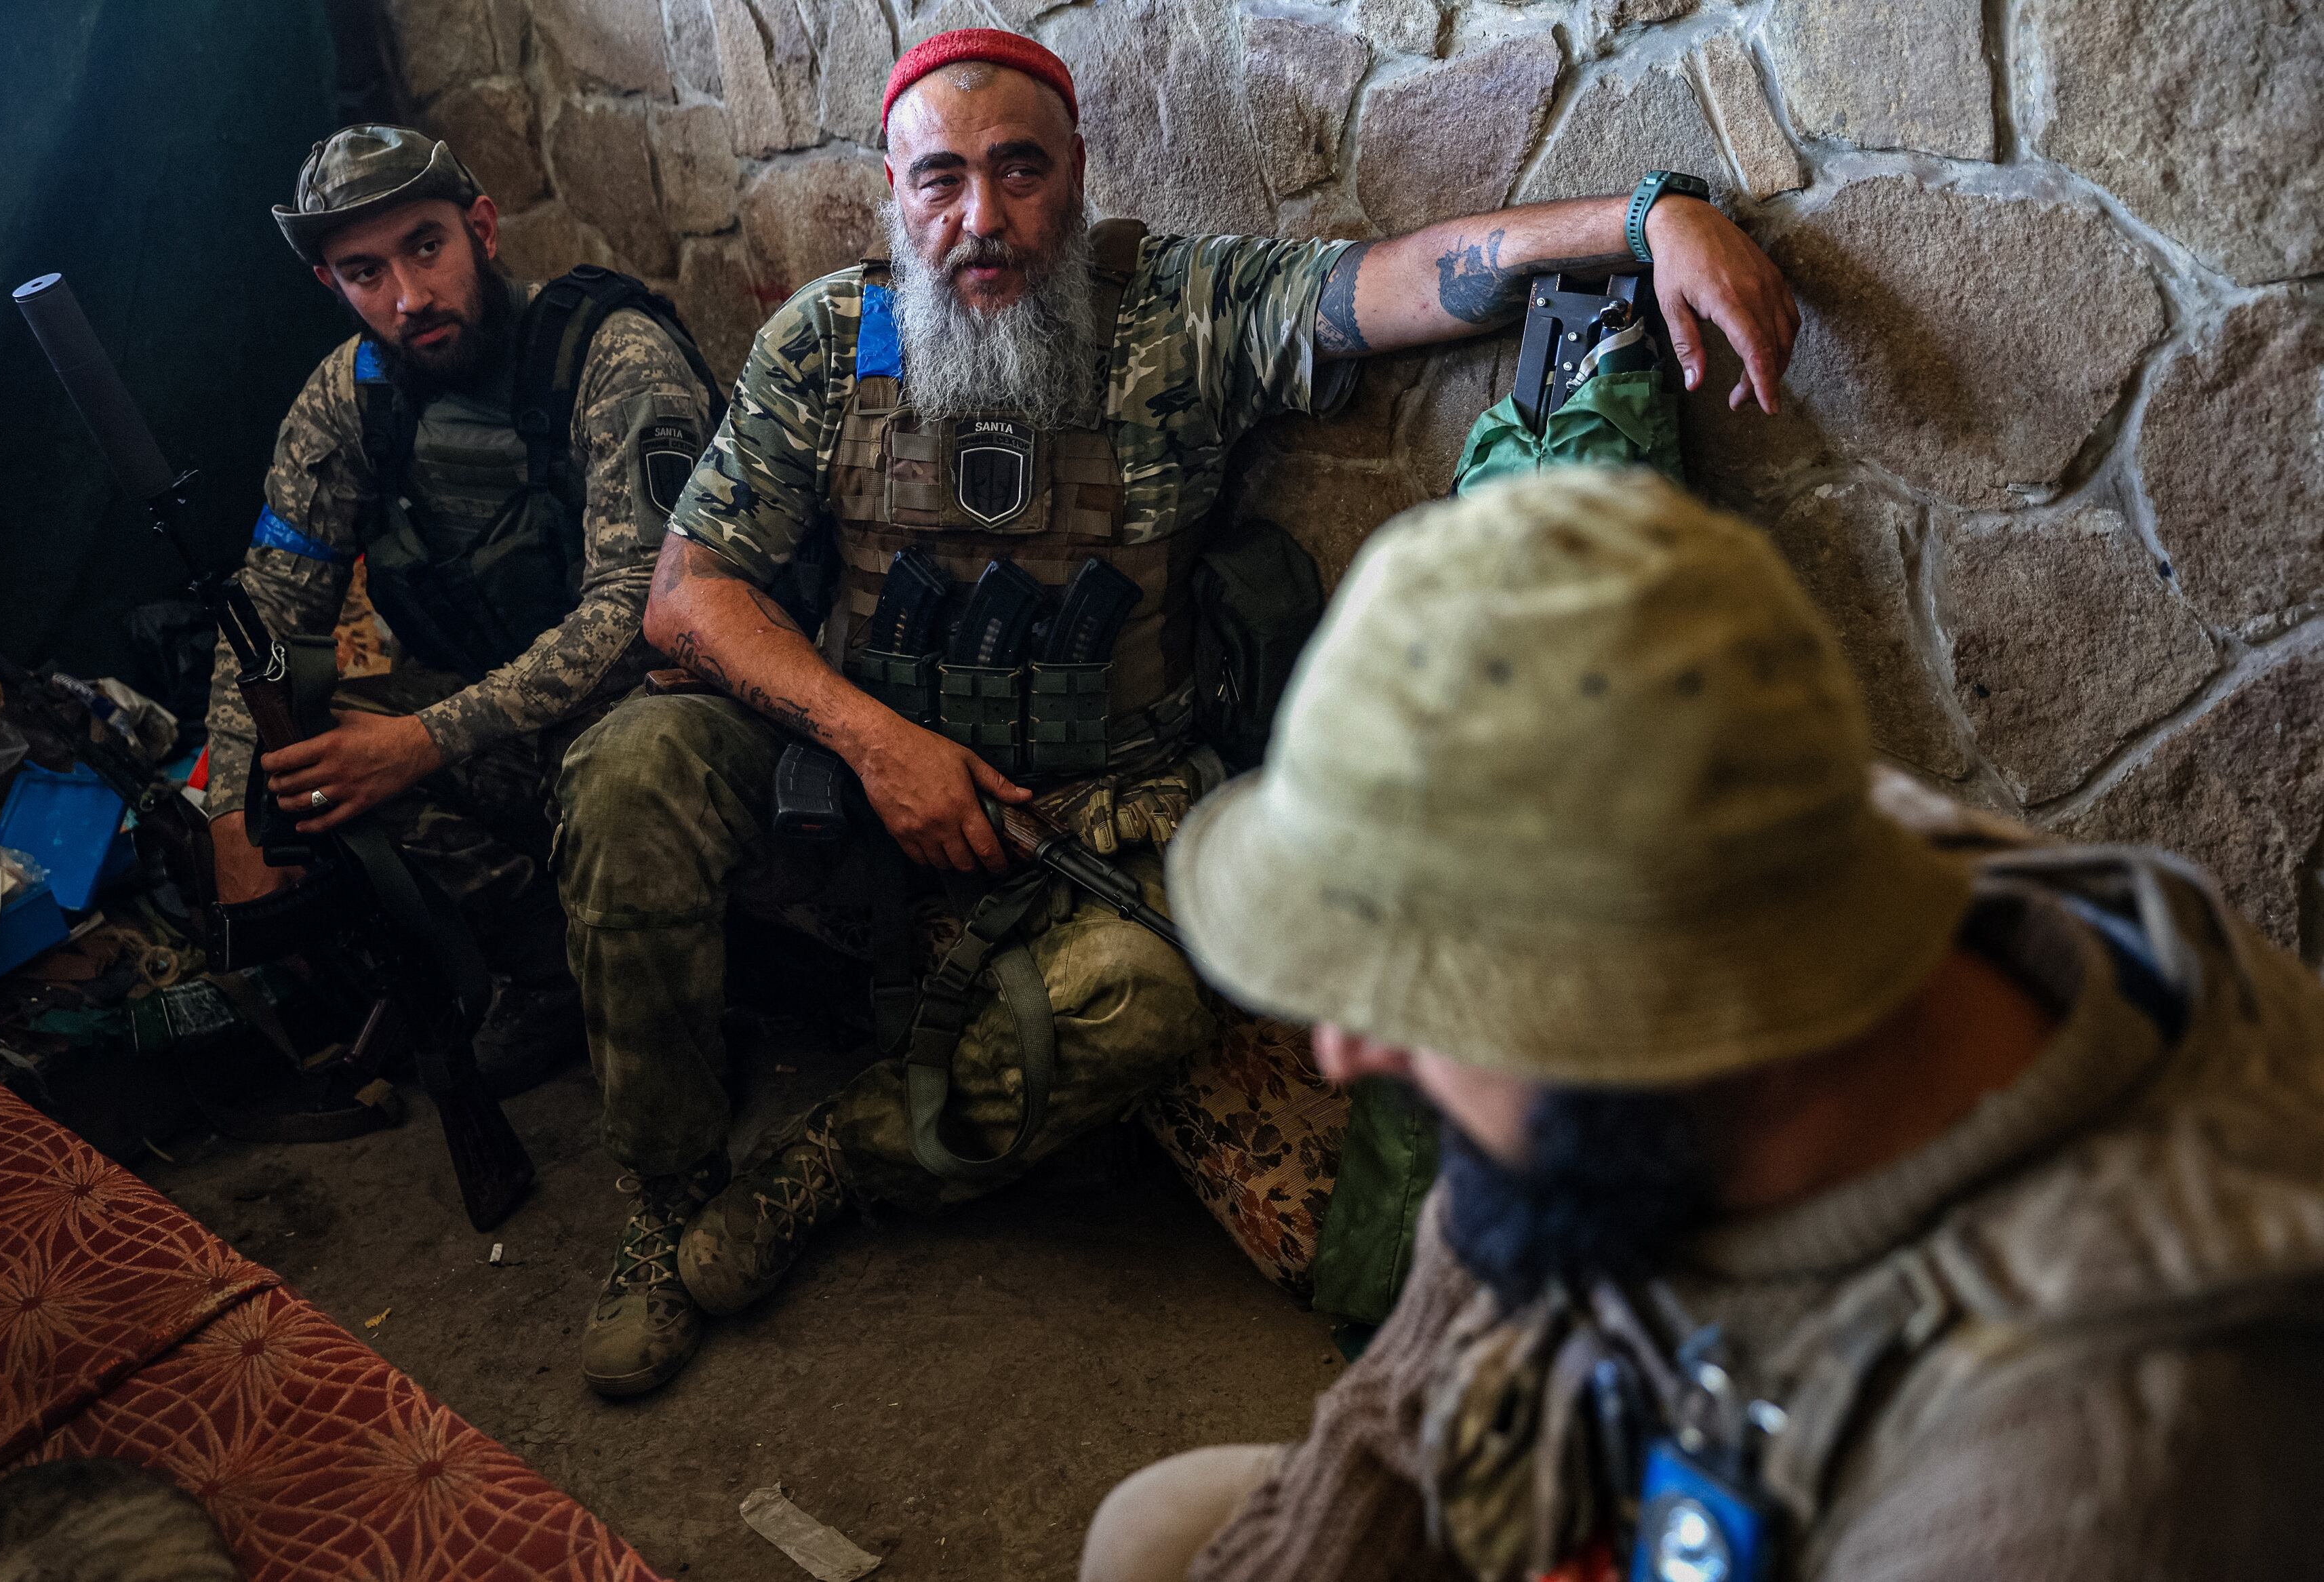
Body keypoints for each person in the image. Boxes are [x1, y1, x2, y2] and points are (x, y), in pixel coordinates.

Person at [556, 26, 1801, 1399]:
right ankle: (667, 1202)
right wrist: (874, 741)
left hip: (1086, 821)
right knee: (633, 770)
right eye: (941, 180)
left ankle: (824, 1166)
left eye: (1020, 170)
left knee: (1145, 1002)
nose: (981, 217)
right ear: (892, 195)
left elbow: (1407, 282)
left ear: (1077, 172)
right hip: (853, 779)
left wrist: (1647, 217)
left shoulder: (1182, 311)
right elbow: (686, 594)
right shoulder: (823, 341)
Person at [1077, 467, 2324, 1581]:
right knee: (1158, 1530)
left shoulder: (2079, 1480)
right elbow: (1441, 1351)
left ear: (1669, 1026)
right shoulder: (1758, 842)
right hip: (1622, 1454)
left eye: (1417, 995)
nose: (1341, 1050)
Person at [205, 125, 718, 1092]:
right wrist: (231, 807)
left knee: (616, 755)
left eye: (426, 247)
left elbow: (638, 611)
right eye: (365, 272)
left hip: (662, 720)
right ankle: (544, 959)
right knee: (300, 747)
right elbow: (270, 609)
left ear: (481, 227)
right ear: (331, 286)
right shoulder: (352, 399)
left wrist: (422, 740)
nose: (407, 296)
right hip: (505, 732)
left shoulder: (611, 354)